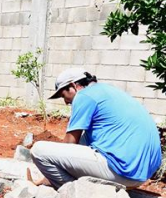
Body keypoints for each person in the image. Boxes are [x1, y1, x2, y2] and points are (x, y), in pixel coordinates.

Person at [30, 67, 162, 189]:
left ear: (73, 86)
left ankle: (78, 193)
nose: (65, 101)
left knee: (38, 151)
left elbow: (69, 144)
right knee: (85, 138)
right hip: (141, 176)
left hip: (121, 172)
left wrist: (52, 172)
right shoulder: (109, 91)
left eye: (64, 95)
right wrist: (48, 177)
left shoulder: (84, 96)